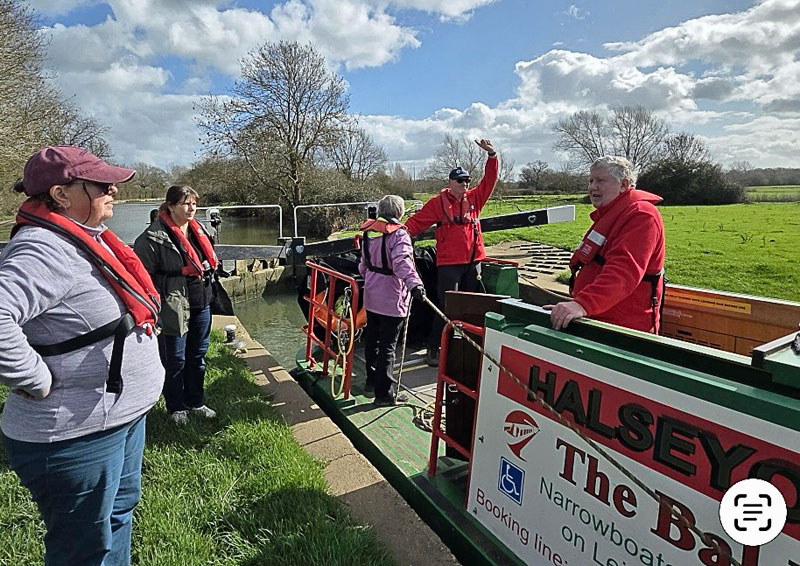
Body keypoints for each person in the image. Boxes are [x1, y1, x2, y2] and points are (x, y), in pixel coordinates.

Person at [0, 146, 163, 565]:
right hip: (76, 433)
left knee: (116, 519)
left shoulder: (85, 237)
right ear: (60, 193)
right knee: (82, 551)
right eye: (100, 183)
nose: (112, 189)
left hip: (117, 417)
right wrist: (34, 377)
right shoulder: (44, 249)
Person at [546, 155, 665, 333]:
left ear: (623, 185)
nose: (593, 187)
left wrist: (582, 304)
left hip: (622, 331)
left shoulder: (642, 215)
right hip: (595, 318)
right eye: (591, 180)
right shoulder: (611, 213)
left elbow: (623, 273)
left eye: (600, 181)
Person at [405, 138, 498, 366]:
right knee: (446, 305)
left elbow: (490, 180)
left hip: (473, 261)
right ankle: (434, 346)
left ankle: (466, 343)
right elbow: (416, 223)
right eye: (460, 181)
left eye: (467, 181)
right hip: (449, 264)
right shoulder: (438, 203)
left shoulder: (475, 198)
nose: (464, 184)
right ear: (450, 182)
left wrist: (492, 155)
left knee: (470, 305)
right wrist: (396, 235)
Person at [134, 185, 219, 425]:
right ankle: (175, 406)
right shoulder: (152, 237)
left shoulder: (198, 229)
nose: (192, 208)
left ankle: (196, 401)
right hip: (173, 306)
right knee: (175, 359)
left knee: (198, 356)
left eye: (194, 203)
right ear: (170, 206)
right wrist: (181, 272)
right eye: (185, 203)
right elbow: (143, 278)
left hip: (201, 301)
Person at [359, 195, 425, 407]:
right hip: (391, 297)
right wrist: (415, 285)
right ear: (399, 213)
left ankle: (371, 381)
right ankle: (385, 394)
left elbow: (363, 265)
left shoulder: (369, 233)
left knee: (372, 339)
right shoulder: (399, 236)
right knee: (388, 346)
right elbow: (402, 263)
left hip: (371, 294)